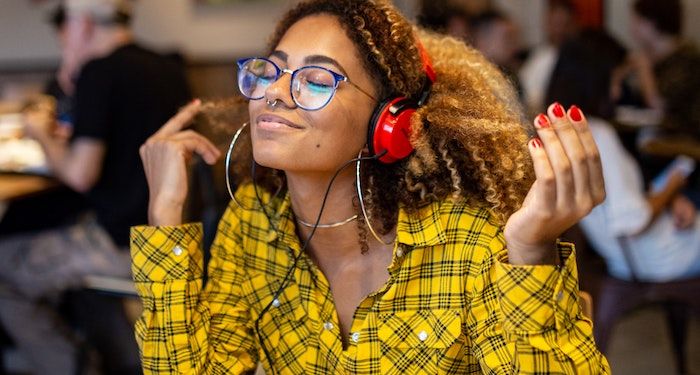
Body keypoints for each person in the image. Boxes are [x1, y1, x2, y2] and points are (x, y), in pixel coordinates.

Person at [132, 0, 609, 373]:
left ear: (389, 124)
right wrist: (165, 216)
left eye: (316, 80)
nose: (274, 92)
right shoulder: (253, 221)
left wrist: (529, 252)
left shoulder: (464, 239)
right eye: (270, 70)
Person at [0, 0, 191, 373]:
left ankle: (72, 368)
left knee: (2, 270)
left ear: (83, 24)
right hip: (167, 234)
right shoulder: (166, 66)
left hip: (118, 241)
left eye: (66, 27)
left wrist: (41, 135)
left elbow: (80, 174)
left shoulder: (100, 72)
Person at [547, 29, 700, 284]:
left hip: (625, 257)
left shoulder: (564, 133)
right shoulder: (598, 135)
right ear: (595, 80)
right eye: (615, 81)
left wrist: (671, 199)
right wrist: (673, 186)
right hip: (657, 254)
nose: (617, 93)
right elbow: (633, 220)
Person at [625, 0, 700, 139]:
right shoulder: (651, 57)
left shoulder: (686, 58)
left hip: (683, 142)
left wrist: (643, 67)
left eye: (637, 20)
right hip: (654, 136)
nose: (632, 28)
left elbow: (658, 107)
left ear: (654, 22)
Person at [520, 0, 579, 115]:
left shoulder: (578, 59)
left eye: (564, 24)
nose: (559, 30)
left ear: (574, 24)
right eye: (555, 24)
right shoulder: (539, 55)